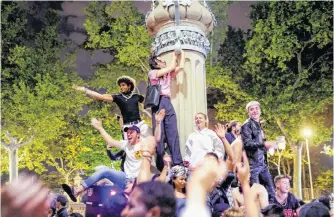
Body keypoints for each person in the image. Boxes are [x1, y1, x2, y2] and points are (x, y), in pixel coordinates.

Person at [62, 119, 155, 202]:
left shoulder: (143, 145)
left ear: (138, 135)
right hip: (124, 178)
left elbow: (155, 140)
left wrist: (157, 123)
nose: (128, 134)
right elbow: (110, 141)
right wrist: (100, 128)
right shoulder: (126, 144)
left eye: (131, 132)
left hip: (137, 181)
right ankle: (78, 190)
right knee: (104, 171)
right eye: (128, 133)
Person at [73, 76, 150, 139]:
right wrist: (85, 90)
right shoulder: (118, 97)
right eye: (120, 86)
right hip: (128, 127)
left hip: (140, 124)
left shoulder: (137, 97)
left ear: (129, 86)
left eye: (123, 85)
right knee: (130, 150)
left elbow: (149, 104)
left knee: (150, 139)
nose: (121, 87)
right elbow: (100, 97)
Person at [149, 50, 184, 171]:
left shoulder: (168, 74)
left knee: (173, 133)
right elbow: (172, 66)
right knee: (159, 135)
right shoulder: (152, 73)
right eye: (160, 60)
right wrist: (174, 56)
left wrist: (182, 54)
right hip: (158, 102)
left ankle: (178, 163)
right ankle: (160, 164)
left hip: (167, 102)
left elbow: (181, 67)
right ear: (155, 63)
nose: (163, 60)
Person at [240, 101, 276, 203]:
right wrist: (264, 145)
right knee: (256, 194)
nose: (254, 111)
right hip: (253, 165)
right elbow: (247, 143)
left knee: (271, 193)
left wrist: (270, 147)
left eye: (256, 108)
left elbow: (261, 144)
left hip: (263, 164)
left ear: (260, 111)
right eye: (252, 109)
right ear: (248, 113)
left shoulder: (259, 125)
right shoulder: (246, 125)